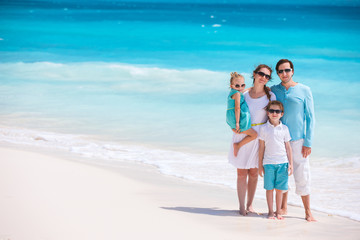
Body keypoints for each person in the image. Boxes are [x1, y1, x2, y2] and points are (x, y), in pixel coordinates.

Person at [271, 59, 316, 222]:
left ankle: (308, 211)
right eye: (280, 71)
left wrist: (308, 142)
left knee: (303, 174)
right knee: (282, 174)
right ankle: (282, 207)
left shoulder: (305, 90)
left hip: (298, 140)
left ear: (293, 71)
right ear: (277, 73)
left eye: (287, 70)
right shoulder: (274, 90)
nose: (284, 74)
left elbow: (310, 118)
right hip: (278, 140)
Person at [228, 64, 276, 216]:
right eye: (261, 74)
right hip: (242, 134)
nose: (264, 78)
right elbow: (231, 111)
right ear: (254, 74)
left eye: (267, 76)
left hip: (259, 138)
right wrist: (232, 127)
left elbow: (273, 118)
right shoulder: (243, 93)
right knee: (241, 174)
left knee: (254, 173)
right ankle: (241, 206)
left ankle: (250, 205)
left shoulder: (271, 96)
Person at [258, 101, 293, 220]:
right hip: (268, 163)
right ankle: (270, 211)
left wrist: (291, 164)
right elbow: (261, 147)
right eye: (271, 111)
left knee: (279, 190)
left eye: (277, 111)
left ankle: (278, 212)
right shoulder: (263, 128)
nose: (274, 113)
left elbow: (288, 148)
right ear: (267, 113)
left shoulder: (284, 128)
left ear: (281, 114)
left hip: (283, 163)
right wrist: (260, 165)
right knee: (269, 189)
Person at [226, 72, 258, 157]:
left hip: (230, 117)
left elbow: (242, 91)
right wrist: (237, 123)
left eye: (242, 85)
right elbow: (237, 108)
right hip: (237, 118)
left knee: (243, 132)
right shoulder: (237, 94)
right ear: (231, 85)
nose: (240, 88)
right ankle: (238, 145)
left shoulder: (233, 92)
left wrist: (251, 88)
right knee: (254, 135)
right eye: (237, 86)